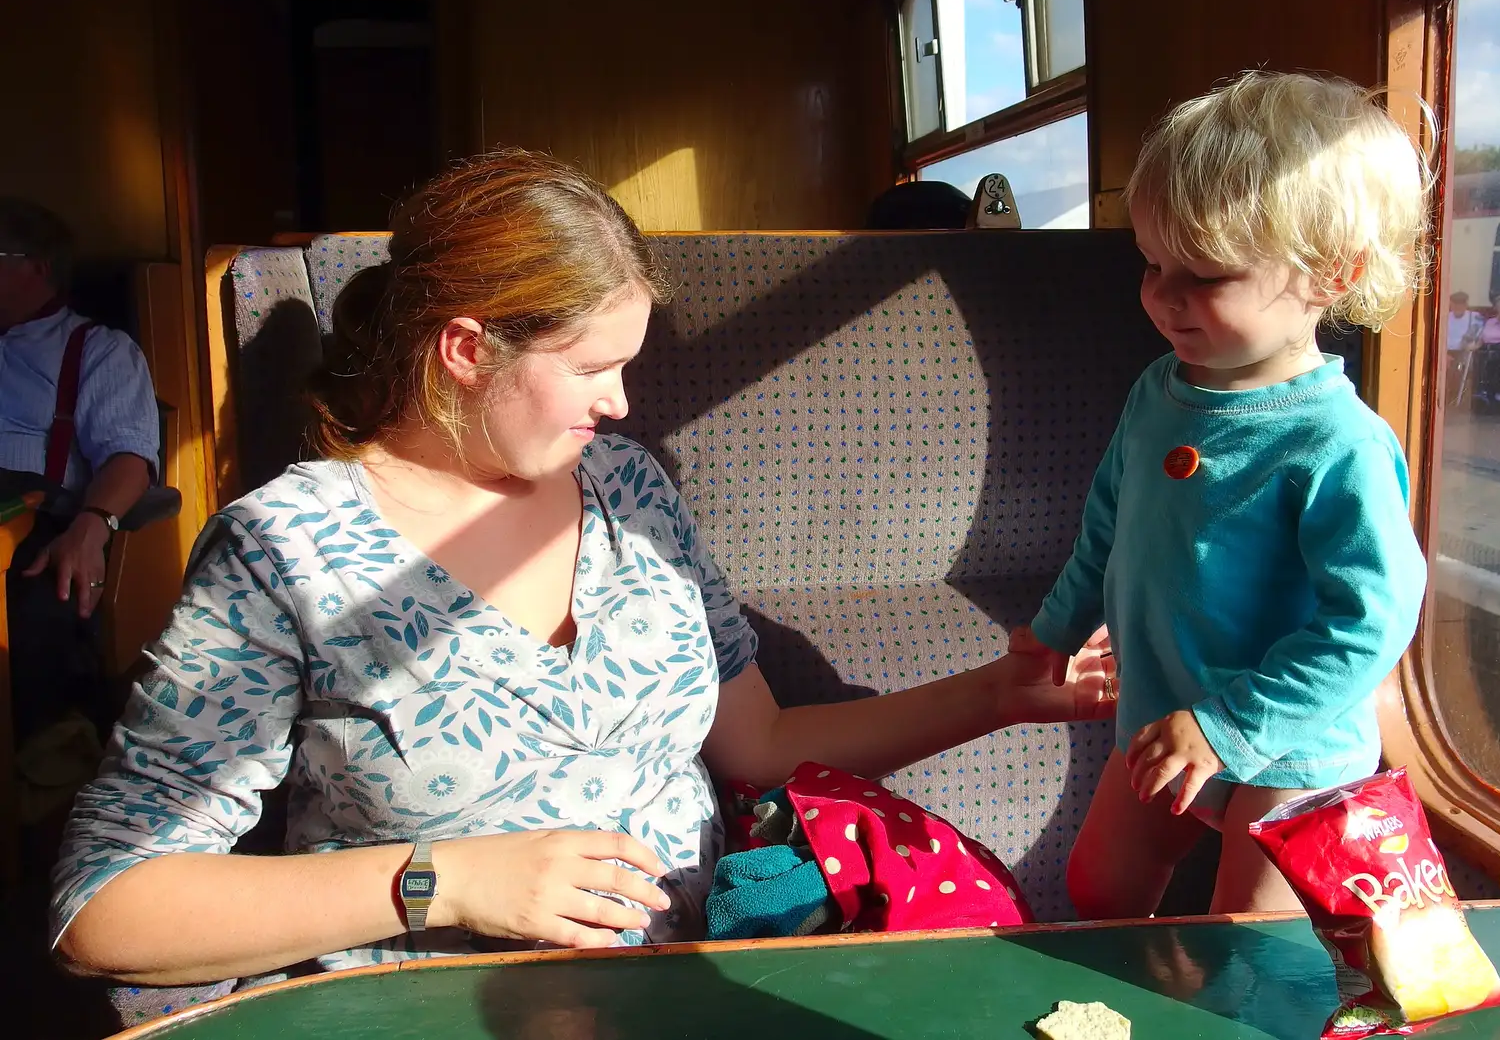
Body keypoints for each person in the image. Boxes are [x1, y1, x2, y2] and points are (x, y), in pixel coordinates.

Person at [52, 149, 1117, 989]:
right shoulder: (285, 550)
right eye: (591, 368)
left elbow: (761, 742)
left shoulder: (632, 490)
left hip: (709, 987)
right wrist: (443, 881)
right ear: (465, 349)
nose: (621, 401)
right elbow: (104, 906)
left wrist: (997, 693)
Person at [1009, 72, 1429, 919]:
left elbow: (1372, 622)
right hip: (1167, 709)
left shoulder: (1337, 443)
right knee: (1100, 886)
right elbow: (1108, 525)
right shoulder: (1159, 391)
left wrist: (1227, 728)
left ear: (1329, 275)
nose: (1164, 295)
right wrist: (1056, 624)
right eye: (1153, 263)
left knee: (1248, 936)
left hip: (1294, 745)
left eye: (1204, 274)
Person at [1, 198, 160, 741]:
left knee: (40, 616)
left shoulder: (98, 350)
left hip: (39, 520)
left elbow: (128, 459)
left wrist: (93, 526)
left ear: (38, 267)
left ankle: (41, 773)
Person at [1444, 291, 1483, 407]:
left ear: (1466, 304)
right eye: (1455, 304)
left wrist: (1474, 346)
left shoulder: (1474, 317)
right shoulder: (1445, 317)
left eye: (1461, 304)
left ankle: (1453, 396)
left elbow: (1480, 339)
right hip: (1445, 352)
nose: (1457, 307)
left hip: (1464, 351)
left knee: (1457, 367)